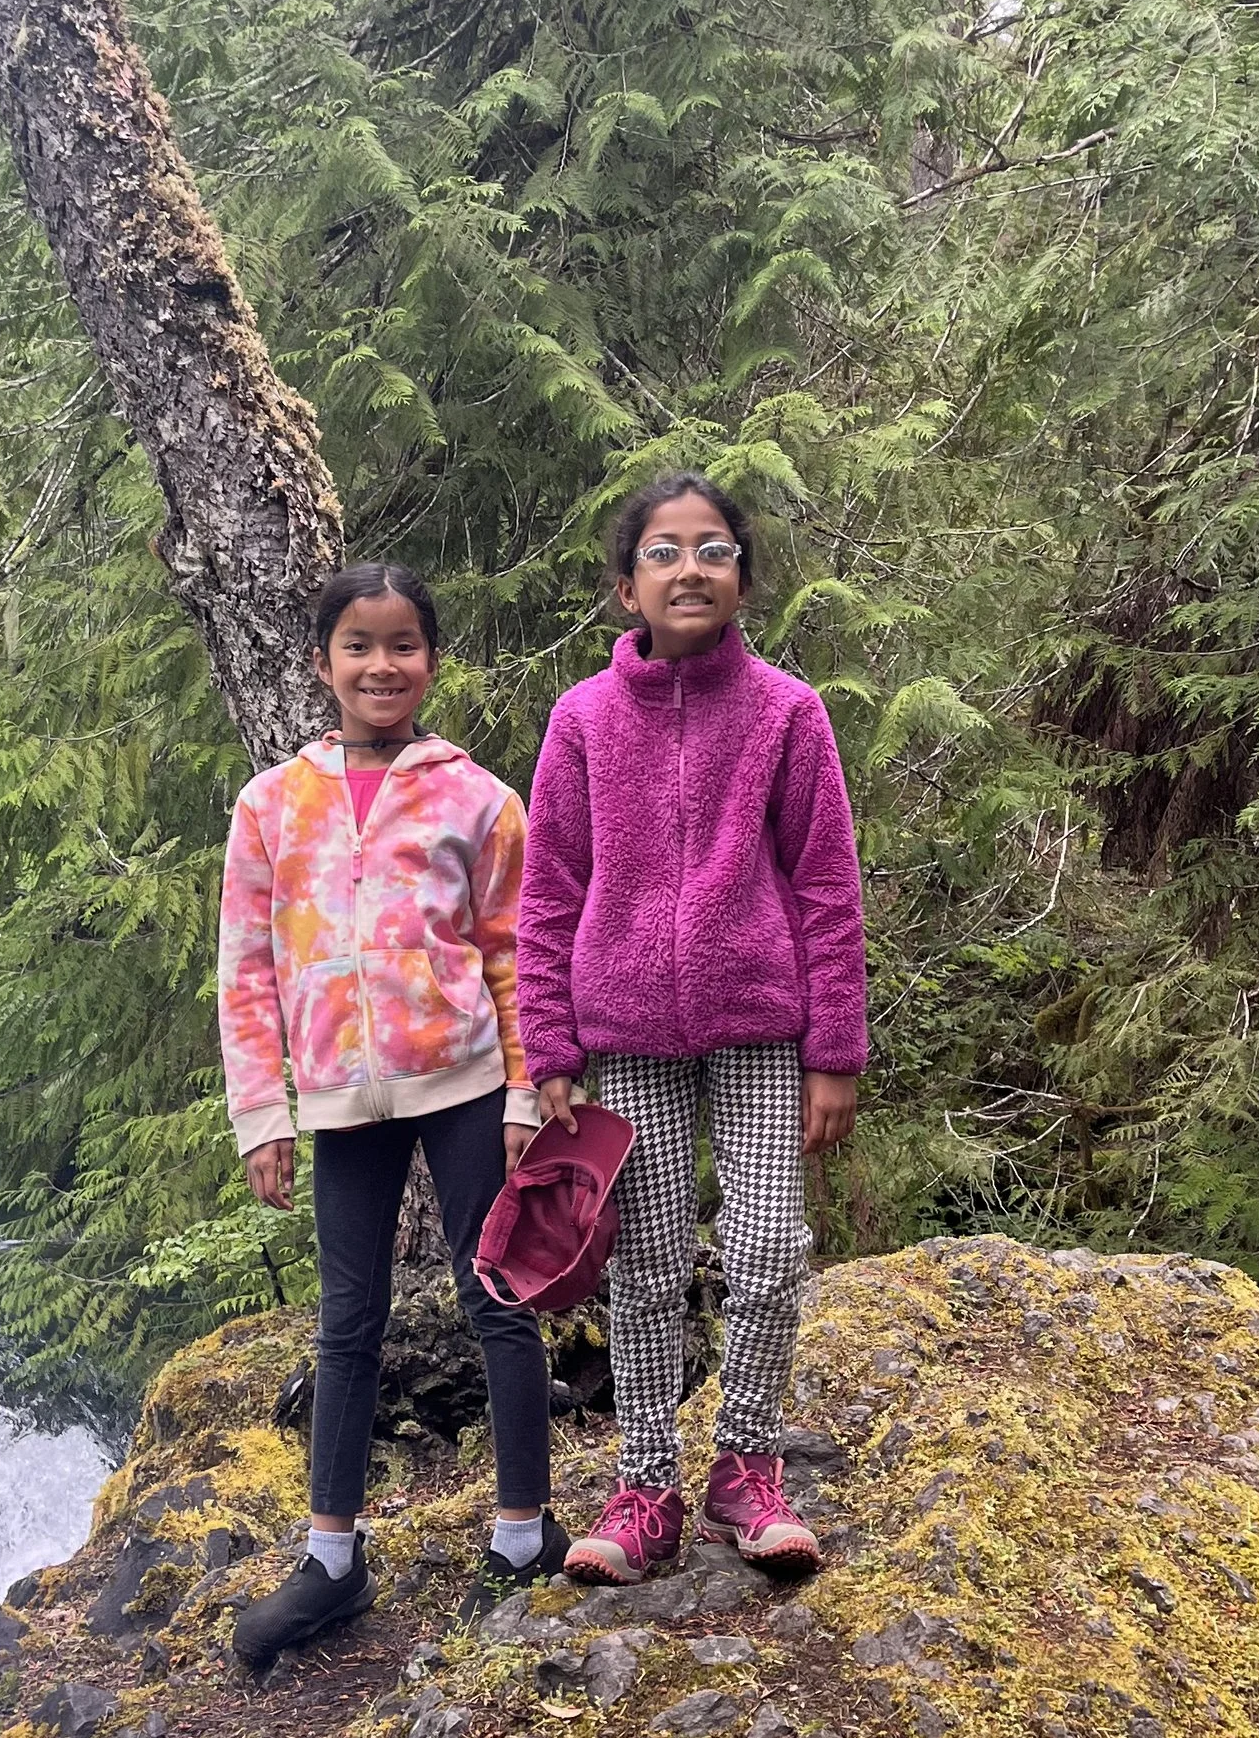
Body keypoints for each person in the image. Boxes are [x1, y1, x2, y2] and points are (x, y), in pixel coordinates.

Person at [517, 475, 867, 1582]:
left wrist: (835, 1053)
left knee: (769, 1249)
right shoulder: (582, 719)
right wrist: (551, 1050)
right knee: (647, 1262)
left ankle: (747, 1469)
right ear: (626, 587)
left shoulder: (786, 713)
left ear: (742, 581)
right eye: (663, 552)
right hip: (622, 1035)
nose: (690, 568)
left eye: (713, 549)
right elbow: (549, 891)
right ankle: (643, 1488)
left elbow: (825, 886)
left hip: (762, 1029)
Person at [218, 561, 564, 1669]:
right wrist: (263, 1112)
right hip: (336, 1100)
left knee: (496, 1294)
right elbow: (245, 969)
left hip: (463, 1080)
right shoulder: (272, 804)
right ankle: (331, 1560)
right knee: (346, 1318)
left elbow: (516, 954)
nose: (382, 665)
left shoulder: (477, 797)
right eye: (358, 645)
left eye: (403, 643)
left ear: (431, 658)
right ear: (322, 662)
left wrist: (522, 1089)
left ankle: (523, 1535)